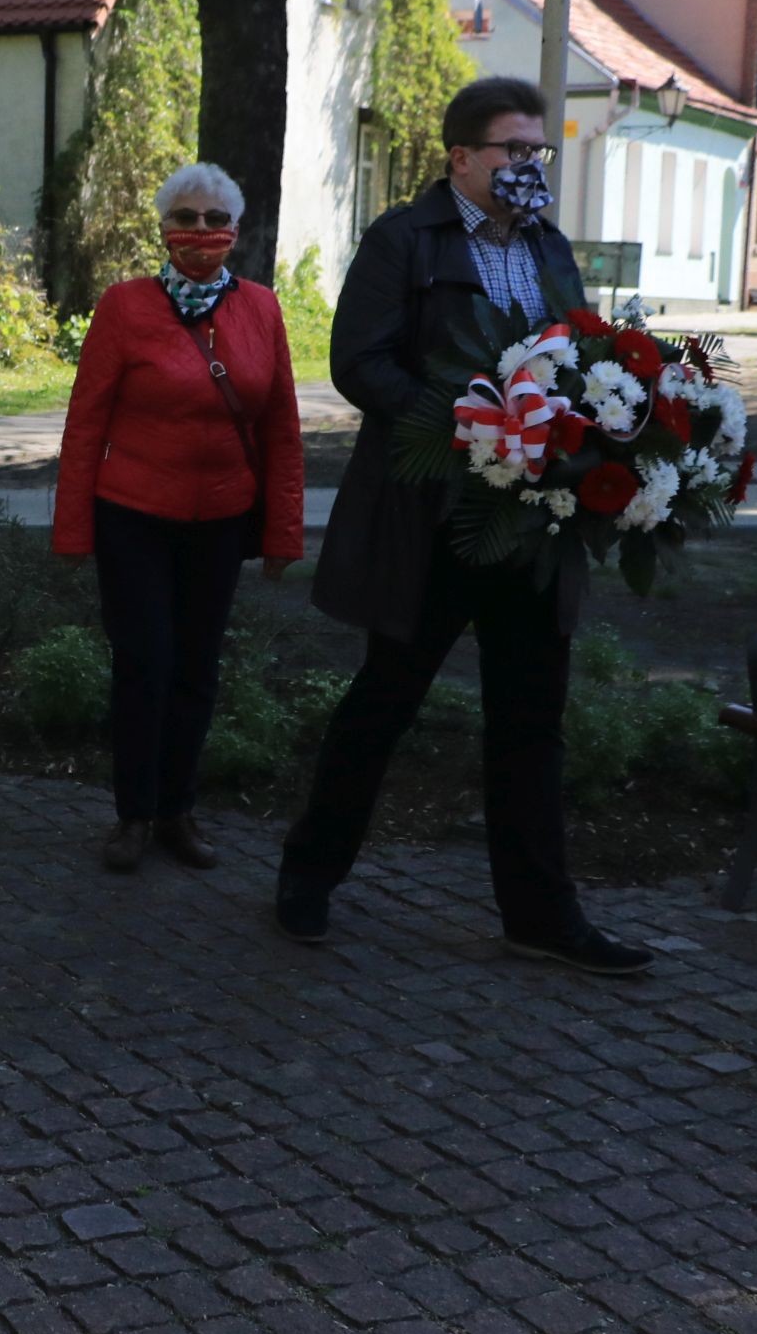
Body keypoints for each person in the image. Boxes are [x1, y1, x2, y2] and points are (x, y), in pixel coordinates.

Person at [274, 77, 654, 975]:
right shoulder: (404, 239)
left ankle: (541, 915)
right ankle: (308, 874)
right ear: (461, 158)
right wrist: (468, 426)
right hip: (432, 516)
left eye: (539, 153)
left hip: (534, 522)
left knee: (532, 722)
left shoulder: (551, 247)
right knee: (384, 702)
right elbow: (357, 360)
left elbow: (580, 355)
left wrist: (605, 422)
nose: (529, 168)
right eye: (512, 152)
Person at [53, 164, 305, 873]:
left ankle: (177, 809)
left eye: (212, 216)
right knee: (144, 662)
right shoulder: (125, 306)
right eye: (186, 217)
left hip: (221, 519)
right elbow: (84, 425)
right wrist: (73, 529)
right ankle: (133, 813)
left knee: (197, 668)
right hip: (133, 513)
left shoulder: (261, 308)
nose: (200, 229)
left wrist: (283, 531)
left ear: (235, 225)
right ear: (164, 228)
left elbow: (283, 429)